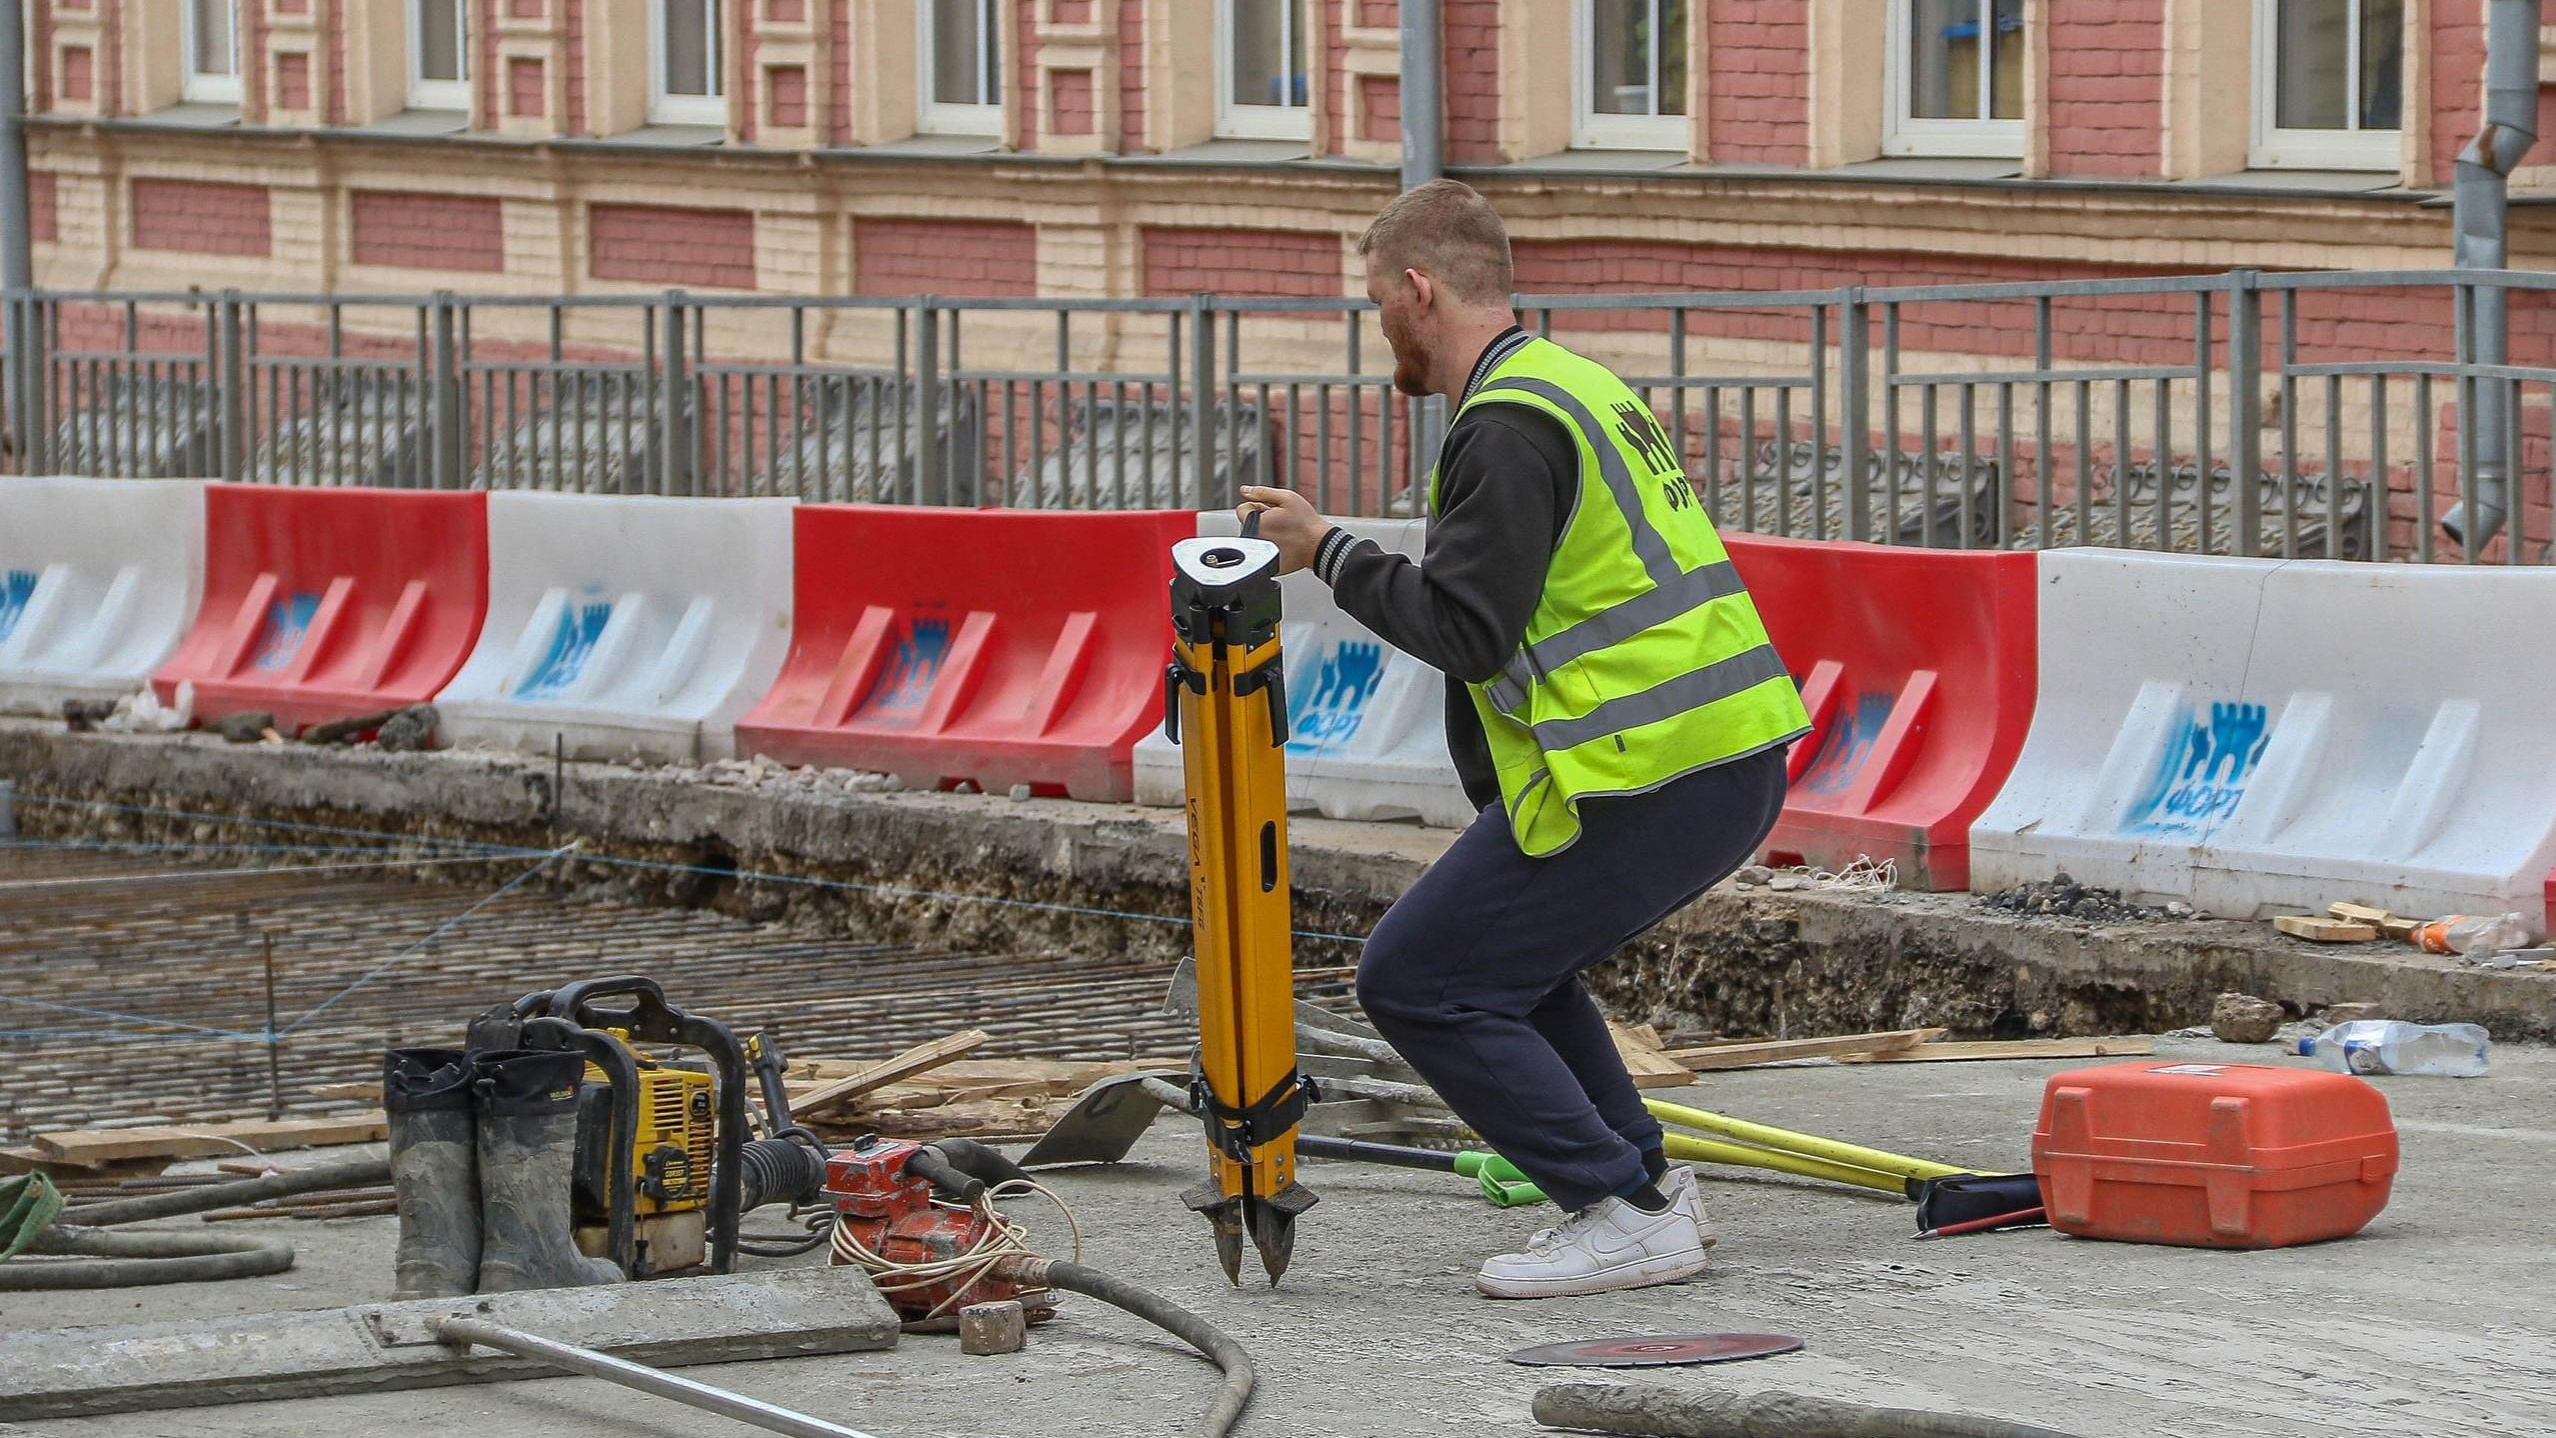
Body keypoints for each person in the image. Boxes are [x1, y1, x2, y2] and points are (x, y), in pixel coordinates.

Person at [1236, 180, 1811, 1300]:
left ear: (1419, 289)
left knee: (1415, 976)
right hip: (1702, 754)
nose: (1380, 334)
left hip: (1654, 763)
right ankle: (1644, 1187)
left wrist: (1328, 549)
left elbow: (1465, 625)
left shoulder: (1502, 423)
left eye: (1376, 304)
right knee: (1511, 971)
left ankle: (1611, 1206)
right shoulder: (1569, 384)